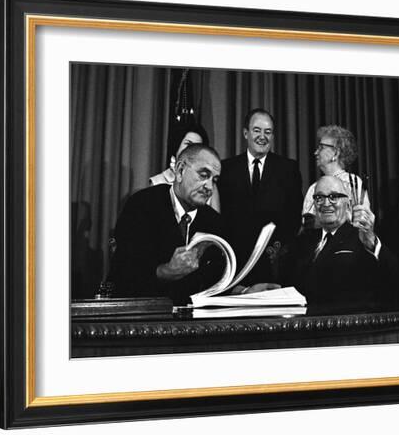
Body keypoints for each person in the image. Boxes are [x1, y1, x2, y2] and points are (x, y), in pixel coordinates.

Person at [110, 144, 225, 305]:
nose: (209, 187)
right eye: (203, 175)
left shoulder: (214, 223)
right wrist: (166, 271)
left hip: (194, 321)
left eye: (214, 180)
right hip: (143, 316)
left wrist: (244, 291)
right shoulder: (141, 205)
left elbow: (215, 279)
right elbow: (123, 273)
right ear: (179, 171)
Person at [284, 175, 399, 312]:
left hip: (348, 327)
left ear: (347, 203)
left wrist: (371, 242)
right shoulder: (303, 241)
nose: (326, 203)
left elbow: (394, 278)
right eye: (319, 197)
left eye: (334, 196)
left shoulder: (362, 236)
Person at [218, 108, 303, 285]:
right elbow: (222, 217)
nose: (262, 136)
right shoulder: (226, 169)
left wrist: (278, 252)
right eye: (257, 130)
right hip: (235, 264)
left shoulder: (288, 169)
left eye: (268, 132)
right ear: (245, 133)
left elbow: (294, 216)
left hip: (275, 264)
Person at [302, 125, 371, 229]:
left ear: (336, 152)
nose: (316, 152)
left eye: (321, 148)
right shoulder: (313, 187)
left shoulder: (352, 182)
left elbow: (361, 222)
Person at [150, 123, 220, 212]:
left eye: (197, 147)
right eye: (188, 144)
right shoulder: (157, 181)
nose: (192, 151)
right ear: (177, 145)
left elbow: (215, 222)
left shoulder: (210, 185)